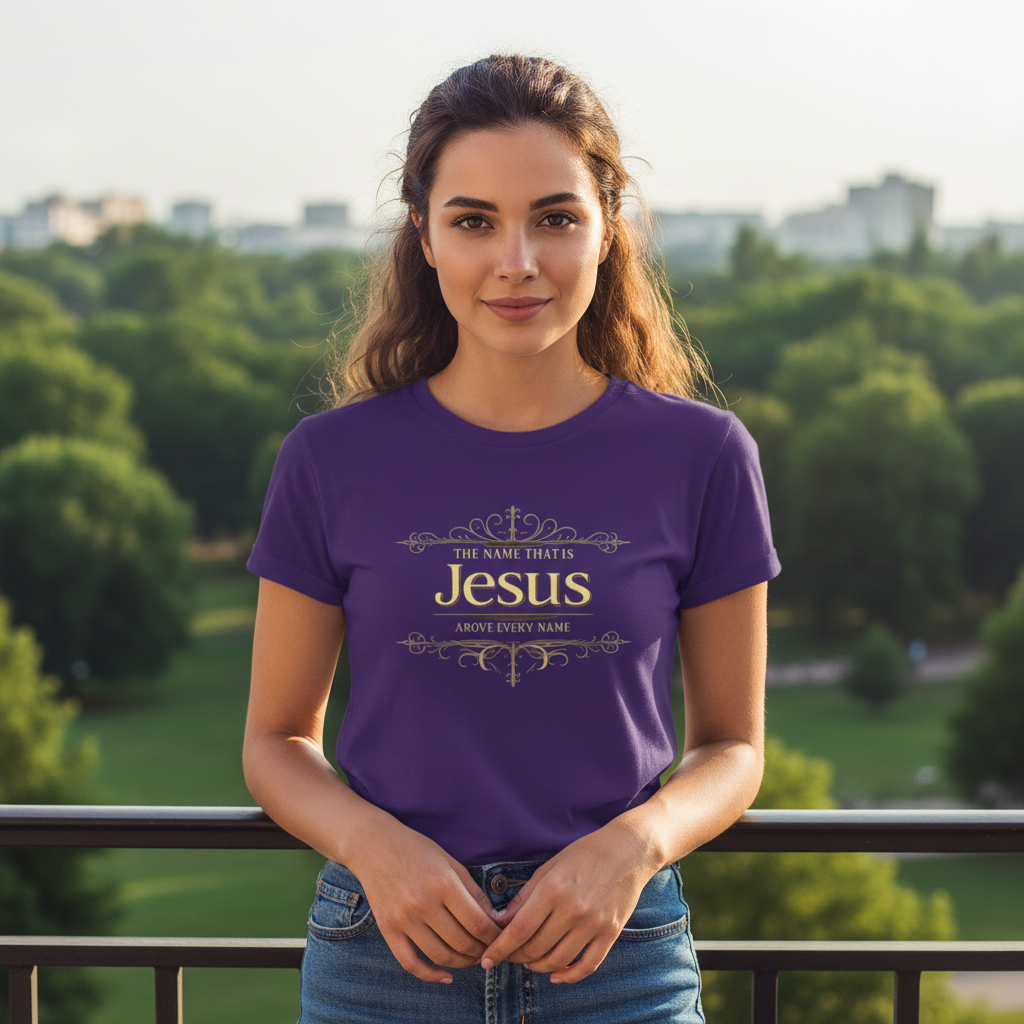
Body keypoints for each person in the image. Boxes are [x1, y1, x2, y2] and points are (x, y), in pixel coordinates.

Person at [243, 53, 780, 1024]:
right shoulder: (331, 458)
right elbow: (277, 740)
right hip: (385, 954)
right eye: (474, 221)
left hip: (616, 956)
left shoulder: (701, 454)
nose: (517, 261)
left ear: (608, 229)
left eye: (556, 218)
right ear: (425, 236)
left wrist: (632, 846)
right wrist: (374, 848)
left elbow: (733, 746)